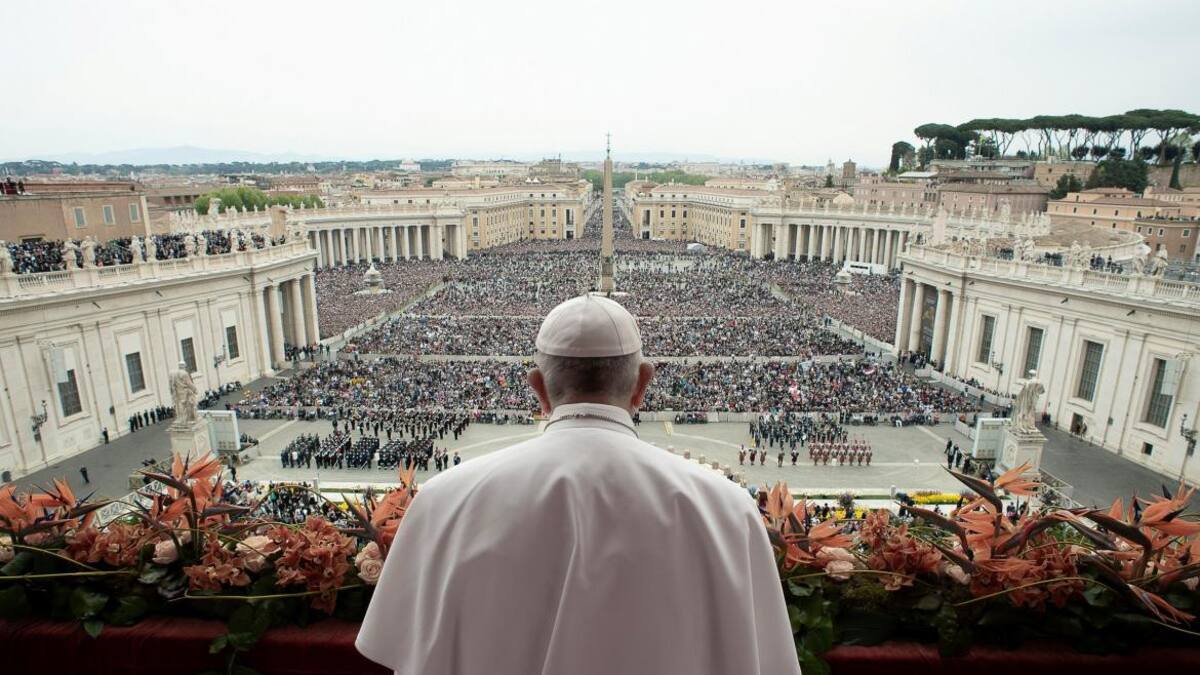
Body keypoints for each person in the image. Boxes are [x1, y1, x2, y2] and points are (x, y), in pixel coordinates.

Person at [357, 295, 799, 675]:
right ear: (643, 383)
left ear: (537, 388)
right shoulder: (726, 508)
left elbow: (394, 646)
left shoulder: (442, 500)